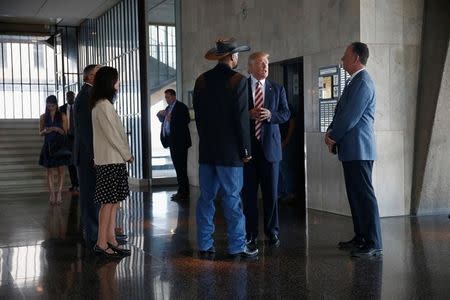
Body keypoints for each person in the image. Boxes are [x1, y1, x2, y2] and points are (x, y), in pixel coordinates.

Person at [193, 38, 257, 258]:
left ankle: (204, 244)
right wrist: (246, 151)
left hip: (207, 151)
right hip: (230, 154)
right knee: (232, 199)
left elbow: (199, 119)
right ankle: (237, 246)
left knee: (206, 199)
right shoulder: (238, 80)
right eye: (237, 55)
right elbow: (241, 120)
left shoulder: (201, 80)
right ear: (232, 57)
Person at [324, 42, 382, 259]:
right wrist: (332, 130)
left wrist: (332, 136)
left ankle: (374, 242)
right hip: (351, 149)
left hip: (360, 149)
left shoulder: (363, 82)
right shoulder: (355, 81)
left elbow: (350, 117)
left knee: (365, 196)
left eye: (345, 55)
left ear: (356, 58)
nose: (342, 59)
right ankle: (361, 237)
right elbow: (342, 112)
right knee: (355, 196)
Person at [241, 52, 290, 249]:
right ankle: (250, 233)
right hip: (249, 151)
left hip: (271, 150)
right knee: (249, 195)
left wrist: (271, 115)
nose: (265, 67)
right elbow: (233, 114)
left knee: (271, 194)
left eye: (267, 63)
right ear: (250, 67)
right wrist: (248, 114)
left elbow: (286, 113)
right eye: (261, 64)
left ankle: (272, 232)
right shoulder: (241, 87)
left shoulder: (276, 88)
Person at [90, 66, 133, 259]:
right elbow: (113, 135)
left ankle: (111, 240)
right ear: (109, 83)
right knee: (108, 203)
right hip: (110, 161)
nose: (119, 83)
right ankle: (101, 243)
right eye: (117, 79)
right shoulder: (103, 106)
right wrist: (127, 154)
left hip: (112, 160)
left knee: (113, 202)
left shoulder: (103, 103)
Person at [74, 64, 101, 248]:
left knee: (94, 195)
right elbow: (85, 130)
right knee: (90, 196)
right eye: (100, 74)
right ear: (90, 77)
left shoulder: (90, 94)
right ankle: (92, 236)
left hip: (89, 154)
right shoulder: (85, 96)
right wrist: (94, 155)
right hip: (87, 155)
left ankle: (99, 233)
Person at [157, 89, 192, 202]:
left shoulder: (181, 107)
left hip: (180, 143)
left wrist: (172, 119)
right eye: (165, 97)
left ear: (173, 96)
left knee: (181, 168)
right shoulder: (168, 108)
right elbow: (163, 120)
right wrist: (159, 114)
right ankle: (180, 191)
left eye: (168, 97)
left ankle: (184, 193)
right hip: (172, 142)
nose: (166, 99)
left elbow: (186, 120)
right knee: (178, 168)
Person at [39, 95, 70, 205]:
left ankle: (59, 193)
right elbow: (40, 133)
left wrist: (57, 129)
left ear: (56, 105)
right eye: (48, 105)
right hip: (48, 145)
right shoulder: (43, 117)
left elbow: (65, 133)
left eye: (52, 105)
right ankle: (52, 193)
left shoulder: (62, 116)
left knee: (61, 171)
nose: (50, 107)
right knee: (49, 172)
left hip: (59, 146)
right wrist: (45, 131)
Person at [59, 91, 79, 192]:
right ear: (66, 97)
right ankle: (74, 184)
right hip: (67, 138)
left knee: (78, 161)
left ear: (74, 97)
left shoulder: (79, 107)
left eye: (71, 96)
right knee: (70, 162)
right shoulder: (61, 109)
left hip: (77, 138)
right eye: (68, 96)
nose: (70, 98)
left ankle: (79, 184)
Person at [278, 104, 296, 203]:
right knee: (278, 169)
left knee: (285, 168)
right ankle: (281, 193)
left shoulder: (287, 106)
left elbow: (292, 124)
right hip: (276, 141)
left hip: (284, 141)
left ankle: (290, 193)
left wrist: (286, 140)